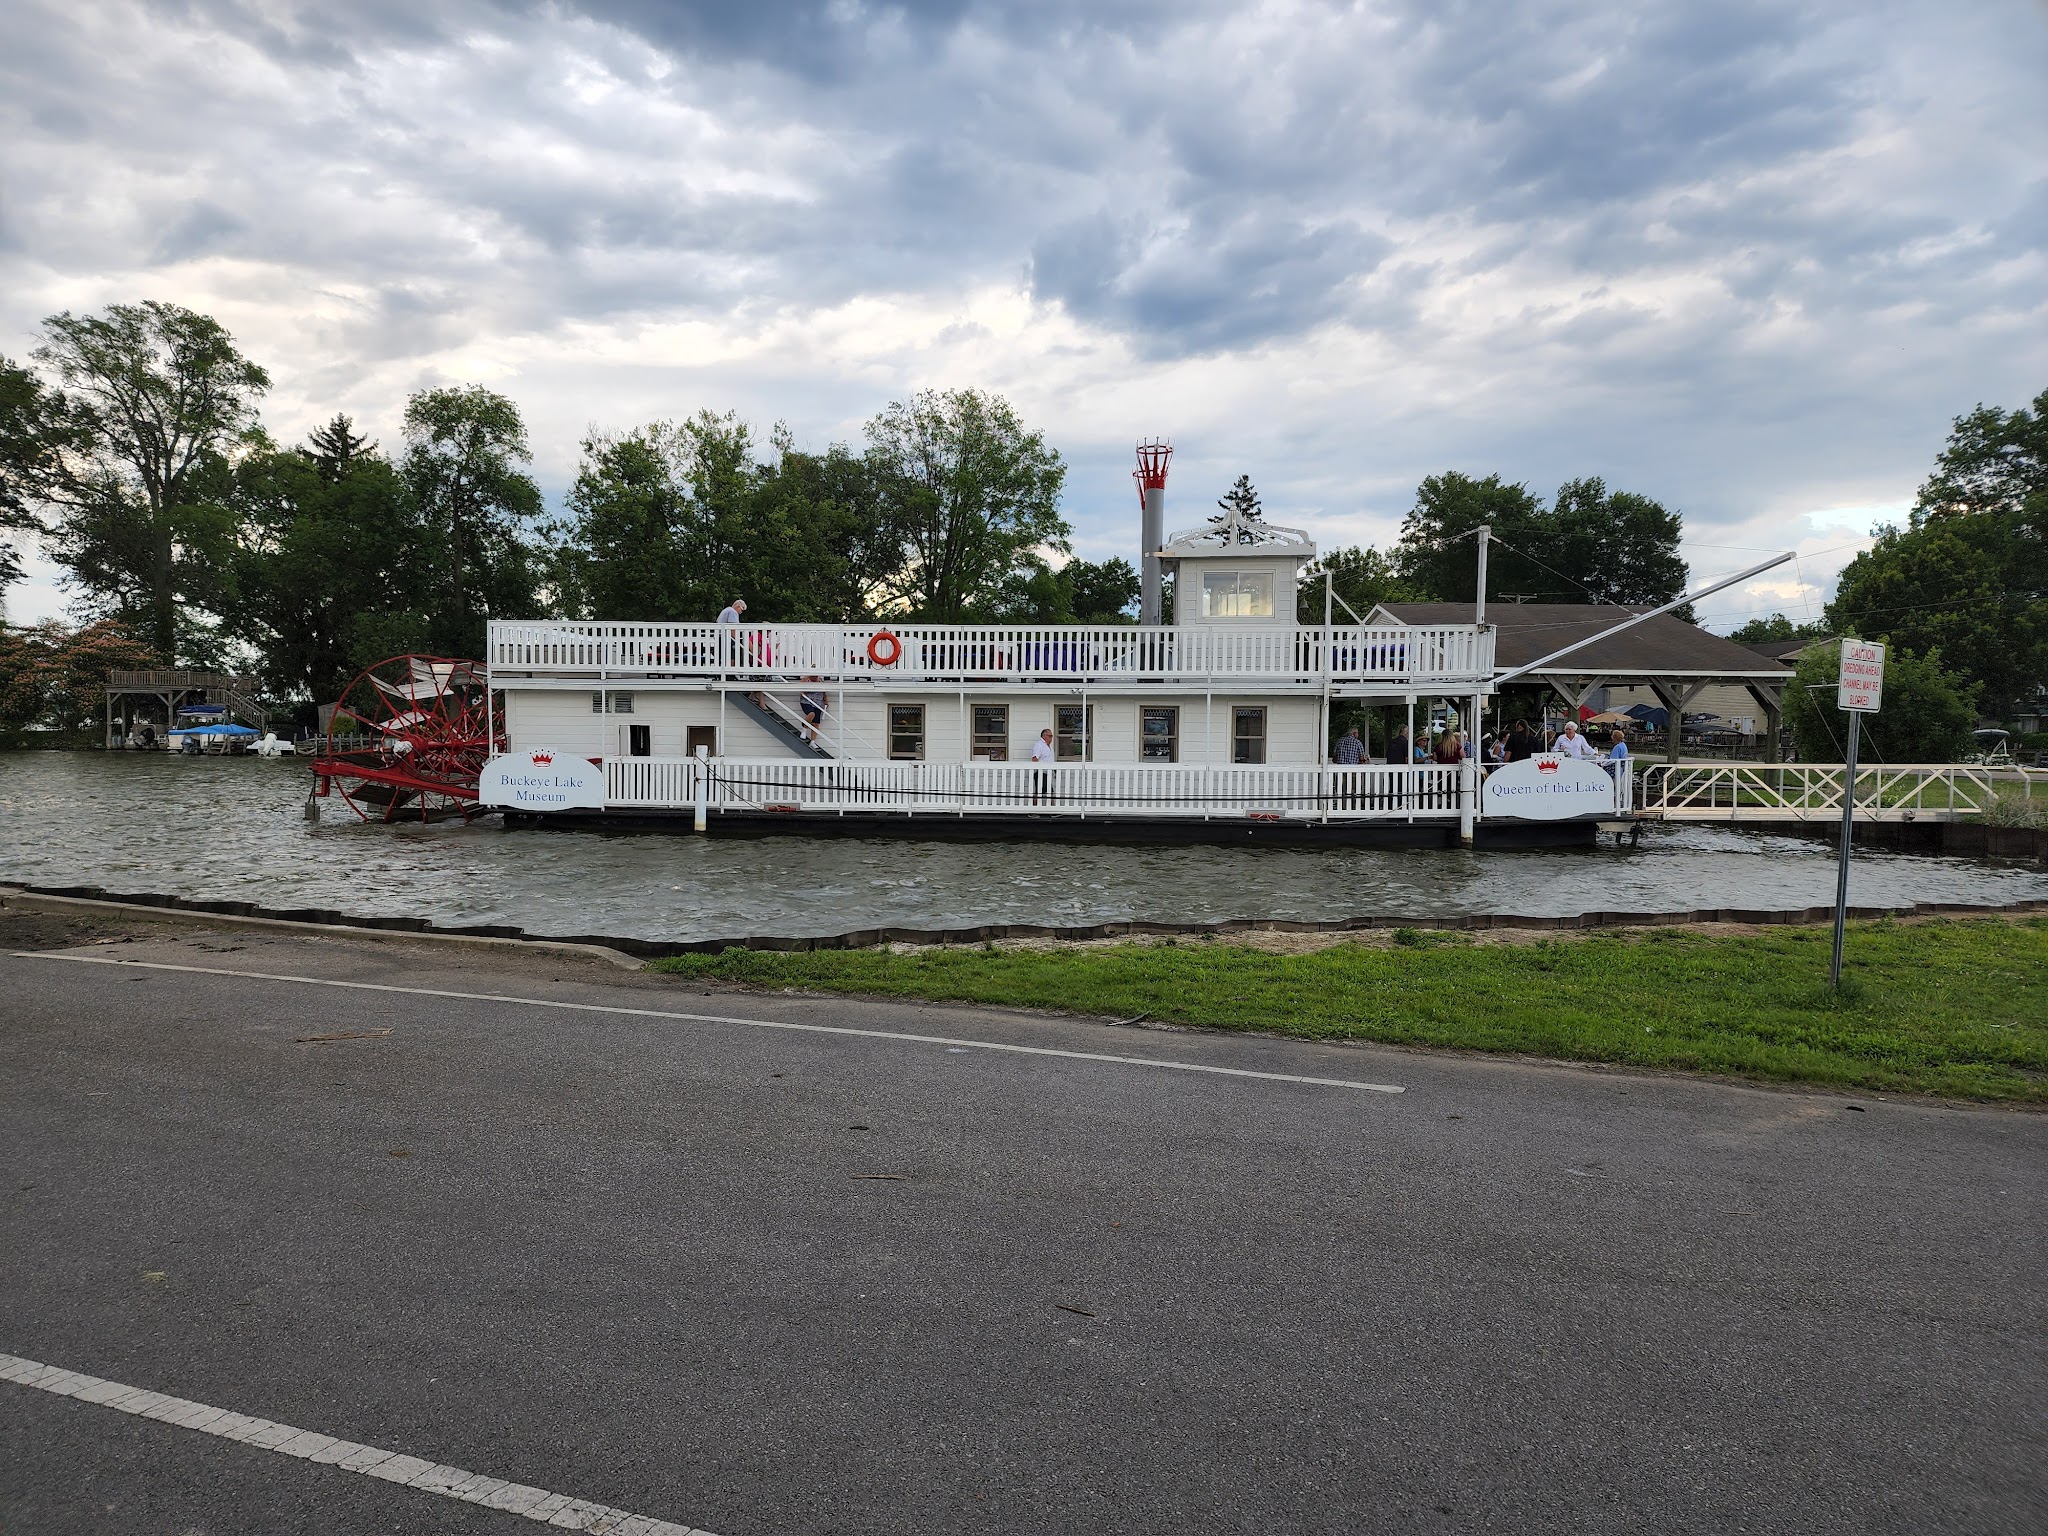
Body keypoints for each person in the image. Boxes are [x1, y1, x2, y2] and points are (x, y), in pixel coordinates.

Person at [1030, 726, 1056, 806]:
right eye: (1050, 736)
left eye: (1052, 736)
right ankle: (1034, 809)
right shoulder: (1039, 745)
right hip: (1041, 772)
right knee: (1038, 792)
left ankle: (1052, 809)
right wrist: (1039, 770)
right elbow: (1035, 758)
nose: (1051, 738)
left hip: (1048, 773)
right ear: (1044, 736)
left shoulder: (1049, 746)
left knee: (1050, 791)